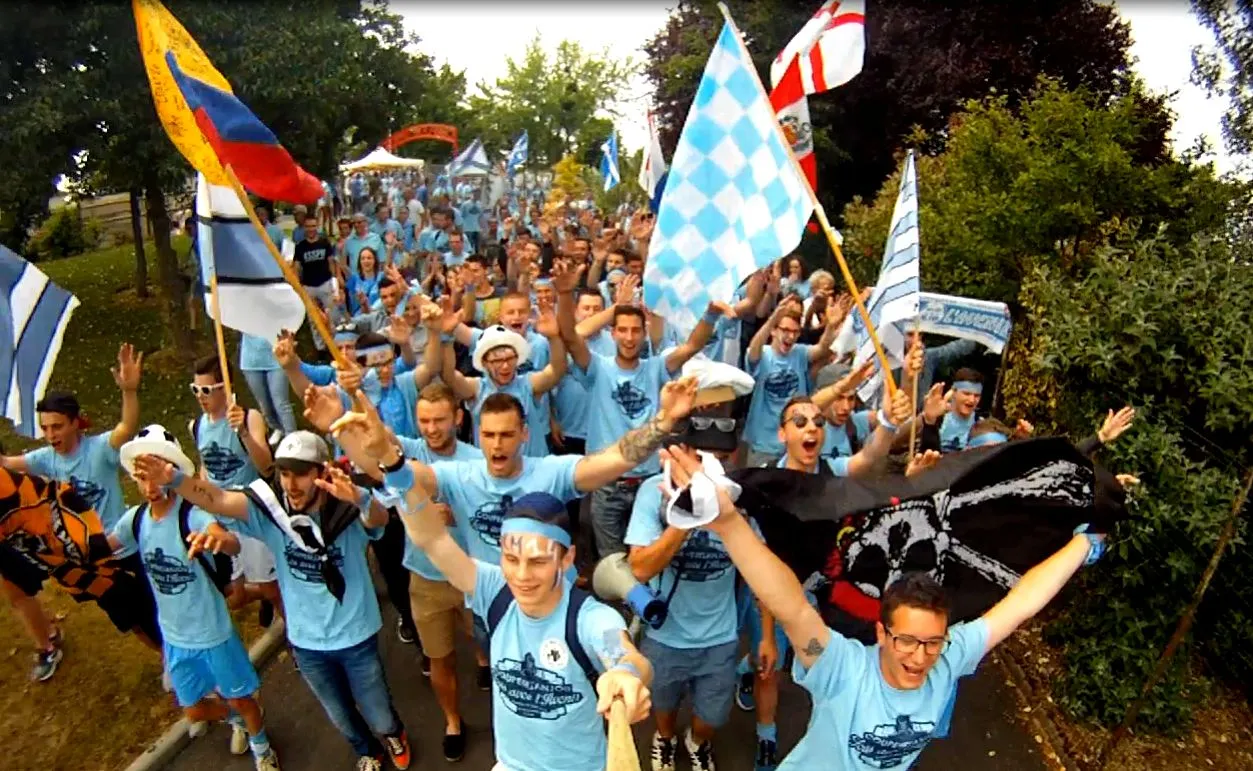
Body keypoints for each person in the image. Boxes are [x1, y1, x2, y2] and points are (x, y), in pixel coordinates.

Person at [662, 443, 1107, 770]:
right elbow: (792, 606)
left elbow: (1022, 602)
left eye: (932, 643)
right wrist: (729, 523)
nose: (920, 656)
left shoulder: (949, 657)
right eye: (907, 641)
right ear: (881, 633)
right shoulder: (840, 668)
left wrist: (1085, 544)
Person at [327, 397, 655, 771]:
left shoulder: (587, 617)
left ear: (566, 559)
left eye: (538, 561)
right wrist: (390, 459)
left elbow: (622, 651)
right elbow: (432, 538)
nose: (521, 575)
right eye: (511, 559)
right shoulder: (494, 588)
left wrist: (627, 675)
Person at [138, 432, 413, 771]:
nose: (291, 484)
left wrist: (360, 499)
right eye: (284, 473)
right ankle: (367, 750)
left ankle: (393, 733)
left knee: (376, 707)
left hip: (356, 635)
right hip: (307, 643)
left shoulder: (348, 507)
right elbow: (218, 499)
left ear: (322, 473)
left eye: (301, 473)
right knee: (339, 712)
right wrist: (174, 479)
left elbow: (380, 520)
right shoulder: (272, 514)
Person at [110, 426, 280, 770]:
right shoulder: (136, 520)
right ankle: (237, 719)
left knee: (241, 698)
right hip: (175, 637)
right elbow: (102, 546)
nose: (149, 486)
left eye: (155, 475)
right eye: (141, 477)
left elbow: (228, 540)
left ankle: (262, 746)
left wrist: (219, 541)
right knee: (193, 709)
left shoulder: (192, 515)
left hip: (213, 633)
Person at [1, 344, 144, 678]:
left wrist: (129, 391)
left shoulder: (100, 450)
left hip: (127, 548)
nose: (51, 435)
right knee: (132, 620)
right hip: (93, 561)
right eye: (46, 428)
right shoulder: (45, 459)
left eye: (57, 427)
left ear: (76, 423)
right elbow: (6, 464)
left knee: (157, 605)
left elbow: (127, 427)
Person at [557, 271, 719, 560]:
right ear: (612, 333)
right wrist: (567, 294)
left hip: (648, 482)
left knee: (647, 556)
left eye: (635, 330)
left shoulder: (657, 368)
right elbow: (570, 336)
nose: (629, 338)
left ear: (644, 333)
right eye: (622, 330)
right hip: (607, 483)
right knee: (611, 561)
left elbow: (692, 346)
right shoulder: (598, 367)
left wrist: (711, 315)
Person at [625, 432, 757, 771]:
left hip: (720, 637)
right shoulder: (653, 491)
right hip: (664, 634)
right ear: (677, 453)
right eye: (699, 456)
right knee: (663, 702)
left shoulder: (738, 495)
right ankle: (665, 739)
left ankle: (697, 742)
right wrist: (687, 513)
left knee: (712, 715)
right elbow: (639, 568)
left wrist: (767, 635)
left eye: (718, 458)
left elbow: (760, 570)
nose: (707, 467)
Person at [187, 355, 282, 627]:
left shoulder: (250, 418)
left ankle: (294, 637)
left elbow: (266, 467)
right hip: (221, 520)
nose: (200, 396)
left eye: (206, 390)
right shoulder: (196, 426)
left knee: (272, 589)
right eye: (195, 389)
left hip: (248, 514)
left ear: (225, 387)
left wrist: (243, 433)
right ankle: (265, 592)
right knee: (235, 596)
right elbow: (205, 466)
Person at [742, 296, 847, 468]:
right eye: (785, 330)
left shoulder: (799, 353)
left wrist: (830, 326)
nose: (790, 336)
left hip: (796, 442)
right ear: (774, 331)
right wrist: (772, 319)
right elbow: (754, 350)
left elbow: (822, 349)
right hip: (764, 445)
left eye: (795, 332)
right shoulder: (763, 354)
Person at [239, 332, 297, 444]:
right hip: (251, 362)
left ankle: (293, 437)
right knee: (265, 406)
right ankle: (278, 428)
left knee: (281, 403)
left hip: (277, 358)